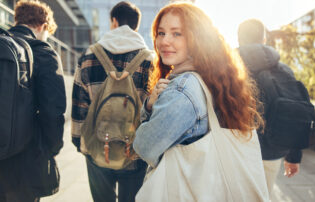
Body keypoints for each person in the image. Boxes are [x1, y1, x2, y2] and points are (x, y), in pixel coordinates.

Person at [133, 2, 267, 201]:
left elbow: (144, 146)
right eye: (161, 33)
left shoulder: (182, 89)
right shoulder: (212, 78)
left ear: (198, 38)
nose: (164, 41)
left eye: (177, 34)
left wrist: (148, 107)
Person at [71, 1, 153, 202]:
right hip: (134, 152)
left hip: (98, 148)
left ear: (114, 22)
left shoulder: (89, 55)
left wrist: (80, 142)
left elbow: (79, 104)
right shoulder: (149, 59)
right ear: (135, 25)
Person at [0, 1, 66, 202]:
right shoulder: (44, 52)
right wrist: (51, 149)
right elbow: (53, 112)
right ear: (43, 26)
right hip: (26, 163)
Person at [237, 19, 302, 197]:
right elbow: (295, 113)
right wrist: (293, 156)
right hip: (272, 150)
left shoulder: (227, 69)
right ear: (263, 39)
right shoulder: (284, 70)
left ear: (239, 39)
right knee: (262, 196)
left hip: (234, 149)